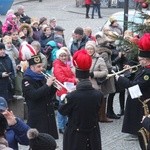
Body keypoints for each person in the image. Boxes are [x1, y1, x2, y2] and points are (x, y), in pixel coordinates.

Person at [59, 49, 103, 150]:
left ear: (77, 76)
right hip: (93, 134)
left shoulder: (71, 96)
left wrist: (63, 99)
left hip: (75, 135)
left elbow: (62, 111)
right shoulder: (99, 94)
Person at [115, 33, 150, 138]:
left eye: (141, 59)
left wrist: (120, 79)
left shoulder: (148, 72)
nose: (139, 61)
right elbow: (137, 77)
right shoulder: (145, 68)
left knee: (137, 116)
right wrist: (130, 73)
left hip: (142, 99)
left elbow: (136, 85)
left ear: (146, 59)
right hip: (138, 97)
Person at [22, 54, 58, 139]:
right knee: (38, 142)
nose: (41, 69)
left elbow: (48, 95)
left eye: (41, 66)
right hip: (37, 117)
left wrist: (54, 87)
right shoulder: (26, 80)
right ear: (31, 67)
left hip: (47, 114)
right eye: (38, 67)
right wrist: (47, 85)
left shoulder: (42, 77)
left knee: (49, 141)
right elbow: (34, 95)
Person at [85, 41, 112, 123]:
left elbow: (105, 72)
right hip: (85, 83)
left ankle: (100, 116)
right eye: (88, 49)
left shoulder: (99, 59)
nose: (89, 51)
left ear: (94, 49)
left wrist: (94, 74)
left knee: (97, 102)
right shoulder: (84, 57)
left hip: (95, 84)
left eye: (91, 49)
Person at [53, 48, 77, 134]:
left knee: (66, 108)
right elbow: (61, 78)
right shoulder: (57, 66)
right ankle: (61, 126)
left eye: (65, 56)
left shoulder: (65, 64)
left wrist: (74, 79)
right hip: (62, 90)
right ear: (58, 57)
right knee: (62, 109)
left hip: (68, 89)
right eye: (61, 56)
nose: (63, 57)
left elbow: (71, 74)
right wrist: (74, 80)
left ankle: (66, 124)